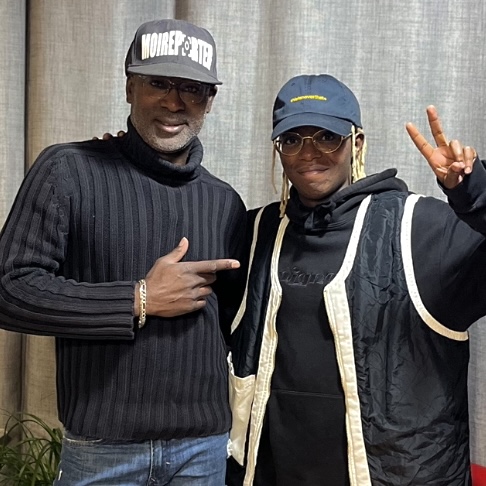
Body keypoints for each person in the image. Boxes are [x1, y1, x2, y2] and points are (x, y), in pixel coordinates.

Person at [0, 18, 247, 485]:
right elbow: (9, 288)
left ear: (209, 101)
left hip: (204, 450)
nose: (174, 102)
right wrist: (138, 299)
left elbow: (235, 323)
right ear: (130, 86)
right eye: (159, 83)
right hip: (102, 452)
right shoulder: (68, 170)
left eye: (192, 88)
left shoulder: (225, 202)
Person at [226, 73, 486, 486]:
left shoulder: (418, 229)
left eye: (327, 137)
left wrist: (476, 193)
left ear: (357, 143)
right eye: (292, 139)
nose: (308, 152)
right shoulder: (256, 232)